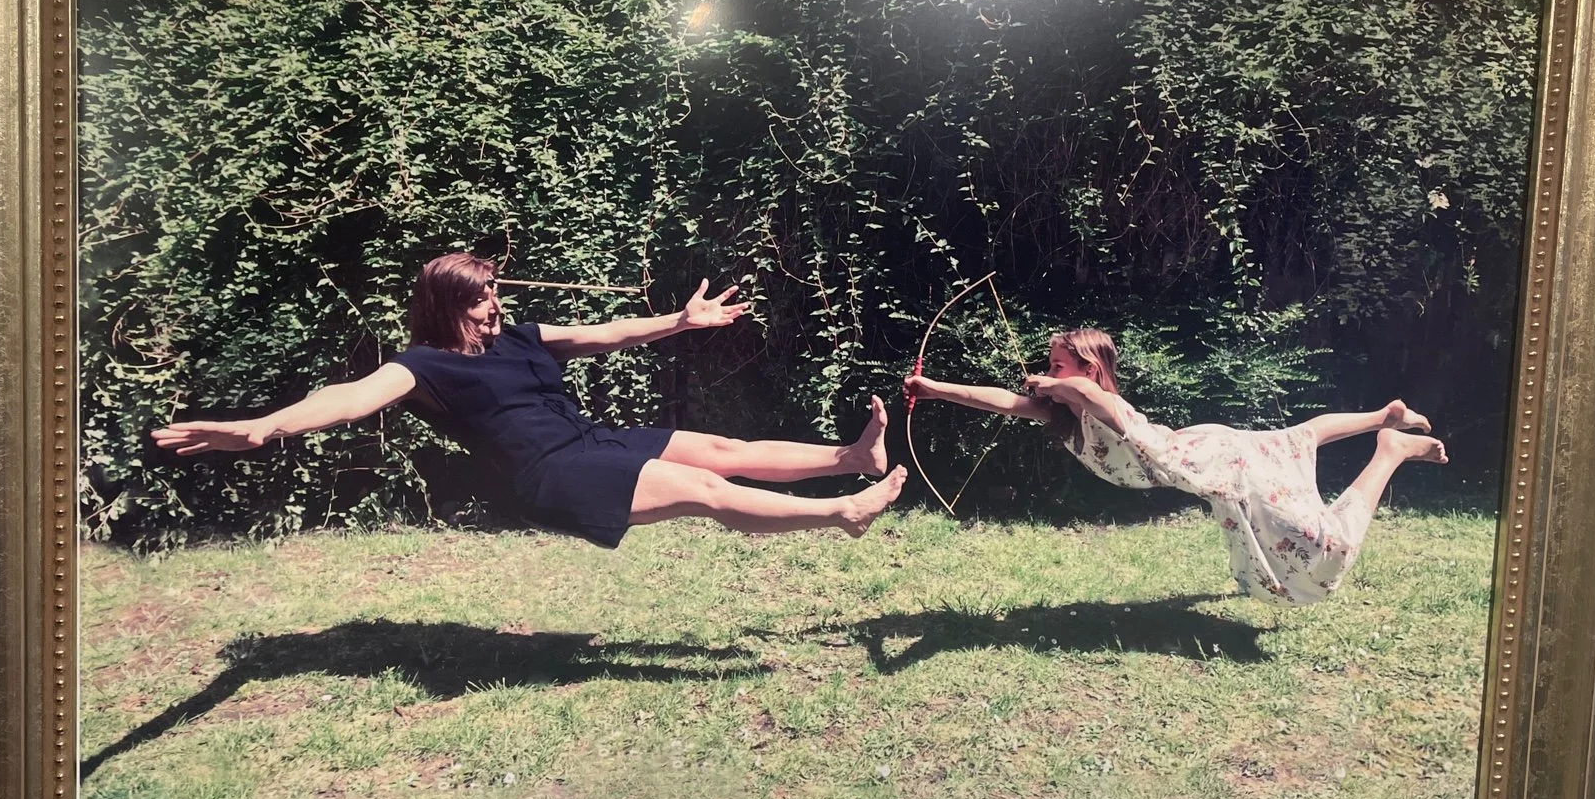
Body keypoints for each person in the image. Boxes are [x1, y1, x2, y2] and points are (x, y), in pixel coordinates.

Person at [152, 252, 906, 545]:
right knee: (708, 488)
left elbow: (607, 333)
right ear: (447, 306)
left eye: (495, 296)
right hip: (547, 476)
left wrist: (679, 321)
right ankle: (842, 512)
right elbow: (349, 396)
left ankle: (850, 458)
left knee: (721, 450)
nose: (494, 309)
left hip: (586, 440)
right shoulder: (421, 366)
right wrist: (264, 428)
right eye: (481, 300)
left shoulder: (519, 339)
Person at [902, 327, 1446, 604]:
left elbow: (1092, 397)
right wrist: (931, 390)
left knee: (1323, 548)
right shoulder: (1063, 411)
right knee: (1295, 436)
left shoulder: (1101, 402)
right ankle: (1385, 414)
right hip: (1204, 461)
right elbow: (992, 398)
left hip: (1215, 457)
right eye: (1048, 366)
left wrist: (1059, 383)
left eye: (1059, 364)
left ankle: (1389, 448)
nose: (1046, 374)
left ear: (1089, 369)